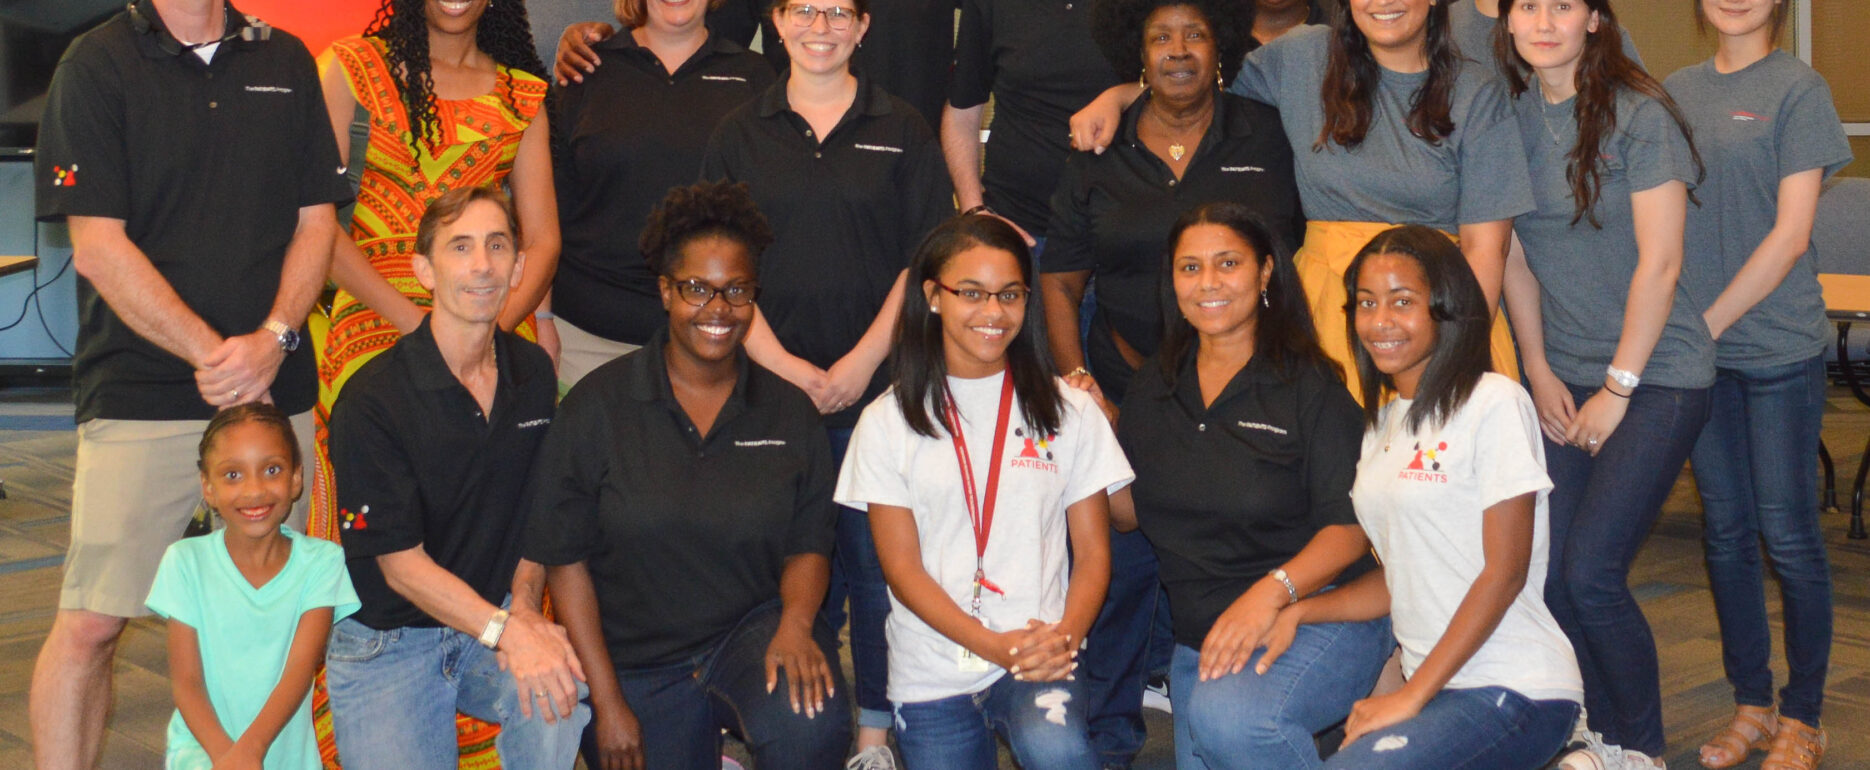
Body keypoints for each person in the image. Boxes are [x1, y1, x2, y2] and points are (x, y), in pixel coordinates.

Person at [28, 1, 347, 766]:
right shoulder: (94, 65)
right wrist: (219, 357)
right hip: (142, 393)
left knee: (278, 621)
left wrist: (270, 342)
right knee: (95, 620)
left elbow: (317, 222)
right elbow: (99, 246)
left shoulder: (286, 60)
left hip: (276, 390)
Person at [1042, 0, 1301, 759]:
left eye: (1195, 34)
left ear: (1220, 44)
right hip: (1124, 389)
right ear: (1138, 53)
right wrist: (1079, 380)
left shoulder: (1263, 133)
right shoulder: (1098, 145)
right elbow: (1059, 281)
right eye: (1161, 37)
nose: (1179, 51)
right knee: (1116, 574)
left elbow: (1285, 266)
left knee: (1227, 555)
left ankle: (1236, 708)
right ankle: (1108, 735)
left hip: (1244, 395)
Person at [523, 181, 853, 769]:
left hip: (751, 635)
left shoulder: (788, 411)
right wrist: (606, 700)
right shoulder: (596, 407)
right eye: (697, 289)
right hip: (634, 657)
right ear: (666, 292)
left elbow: (810, 543)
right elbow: (564, 561)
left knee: (810, 722)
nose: (718, 310)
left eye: (737, 291)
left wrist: (798, 626)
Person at [703, 1, 955, 761]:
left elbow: (925, 260)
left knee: (878, 575)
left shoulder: (904, 126)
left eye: (838, 11)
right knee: (771, 575)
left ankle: (874, 735)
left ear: (864, 25)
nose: (821, 25)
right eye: (803, 9)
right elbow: (717, 264)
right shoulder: (738, 131)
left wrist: (859, 366)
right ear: (775, 22)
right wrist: (783, 367)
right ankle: (776, 727)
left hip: (878, 395)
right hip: (763, 393)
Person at [1069, 0, 1533, 401]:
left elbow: (1485, 249)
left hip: (1442, 312)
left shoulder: (1477, 93)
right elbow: (1197, 81)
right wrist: (1120, 95)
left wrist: (1452, 352)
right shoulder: (1303, 56)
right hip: (1325, 319)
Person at [1259, 224, 1582, 770]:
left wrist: (1411, 694)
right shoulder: (1383, 424)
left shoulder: (1493, 402)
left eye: (1402, 302)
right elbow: (1402, 575)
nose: (1379, 321)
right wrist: (1302, 611)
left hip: (1515, 685)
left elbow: (1504, 572)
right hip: (1439, 686)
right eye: (1366, 302)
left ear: (1445, 308)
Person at [835, 213, 1134, 769]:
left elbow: (1094, 553)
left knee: (1059, 751)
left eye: (1010, 295)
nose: (994, 313)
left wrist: (1065, 639)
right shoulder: (886, 420)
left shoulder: (1067, 409)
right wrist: (993, 645)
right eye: (971, 293)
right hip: (930, 667)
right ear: (932, 296)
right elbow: (901, 570)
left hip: (1044, 653)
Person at [1097, 203, 1389, 770]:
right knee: (1217, 733)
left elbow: (1350, 532)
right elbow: (1129, 514)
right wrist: (1090, 438)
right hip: (1203, 639)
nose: (1207, 283)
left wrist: (1270, 593)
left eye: (1227, 263)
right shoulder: (1154, 385)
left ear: (1264, 274)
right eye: (1189, 268)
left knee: (1233, 726)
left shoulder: (1310, 387)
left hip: (1318, 612)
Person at [1495, 1, 1710, 765]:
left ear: (1594, 19)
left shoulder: (1639, 113)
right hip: (1564, 373)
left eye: (1563, 5)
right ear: (1508, 20)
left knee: (1592, 573)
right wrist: (1541, 368)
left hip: (1658, 374)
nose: (1544, 20)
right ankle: (1595, 735)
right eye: (1528, 5)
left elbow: (1661, 263)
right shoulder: (1507, 118)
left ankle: (1642, 749)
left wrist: (1617, 388)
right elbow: (1513, 257)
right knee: (1547, 576)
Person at [324, 186, 587, 769]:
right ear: (424, 270)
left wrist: (523, 610)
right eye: (460, 246)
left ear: (519, 267)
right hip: (387, 642)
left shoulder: (533, 374)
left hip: (485, 626)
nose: (482, 265)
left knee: (561, 696)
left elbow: (534, 517)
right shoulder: (372, 401)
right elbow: (400, 565)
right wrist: (510, 632)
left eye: (497, 246)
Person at [1667, 1, 1853, 767]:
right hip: (1700, 356)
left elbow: (1791, 235)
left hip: (1775, 349)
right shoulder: (1672, 88)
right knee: (1726, 533)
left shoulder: (1799, 88)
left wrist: (1702, 324)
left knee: (1789, 536)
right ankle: (1751, 704)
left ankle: (1804, 717)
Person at [313, 0, 558, 542]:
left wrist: (487, 336)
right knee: (379, 514)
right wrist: (419, 328)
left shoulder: (523, 95)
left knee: (495, 509)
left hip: (491, 318)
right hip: (375, 321)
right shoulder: (351, 69)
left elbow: (542, 241)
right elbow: (319, 227)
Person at [548, 0, 775, 389]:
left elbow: (773, 217)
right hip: (582, 344)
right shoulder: (586, 69)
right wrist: (541, 322)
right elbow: (543, 214)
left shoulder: (757, 79)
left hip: (713, 341)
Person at [147, 404, 361, 770]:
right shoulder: (185, 562)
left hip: (284, 758)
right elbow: (187, 682)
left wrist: (251, 751)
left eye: (272, 470)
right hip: (204, 754)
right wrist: (226, 758)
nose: (255, 489)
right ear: (208, 488)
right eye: (233, 475)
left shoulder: (322, 563)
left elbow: (298, 671)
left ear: (296, 478)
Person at [941, 0, 1123, 249]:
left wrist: (1120, 97)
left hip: (1123, 231)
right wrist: (974, 213)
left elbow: (1186, 82)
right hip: (1017, 231)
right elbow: (962, 112)